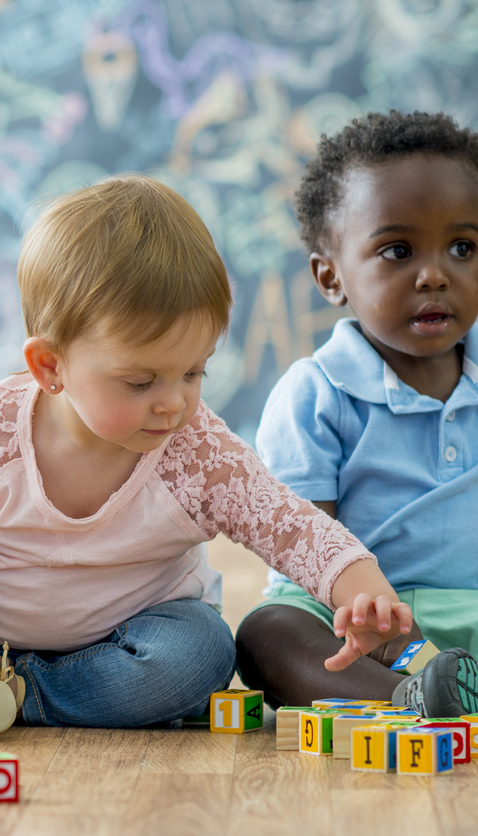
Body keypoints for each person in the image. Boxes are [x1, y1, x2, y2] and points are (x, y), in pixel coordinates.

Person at [0, 174, 414, 747]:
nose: (173, 402)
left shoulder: (196, 449)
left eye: (194, 372)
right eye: (141, 381)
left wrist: (361, 588)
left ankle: (9, 696)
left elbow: (287, 524)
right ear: (50, 367)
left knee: (202, 652)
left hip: (138, 639)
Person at [235, 111, 478, 715]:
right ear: (331, 276)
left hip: (471, 608)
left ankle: (454, 682)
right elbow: (303, 545)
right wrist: (372, 614)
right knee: (266, 633)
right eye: (397, 250)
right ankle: (412, 695)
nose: (434, 274)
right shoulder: (314, 393)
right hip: (357, 619)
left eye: (463, 248)